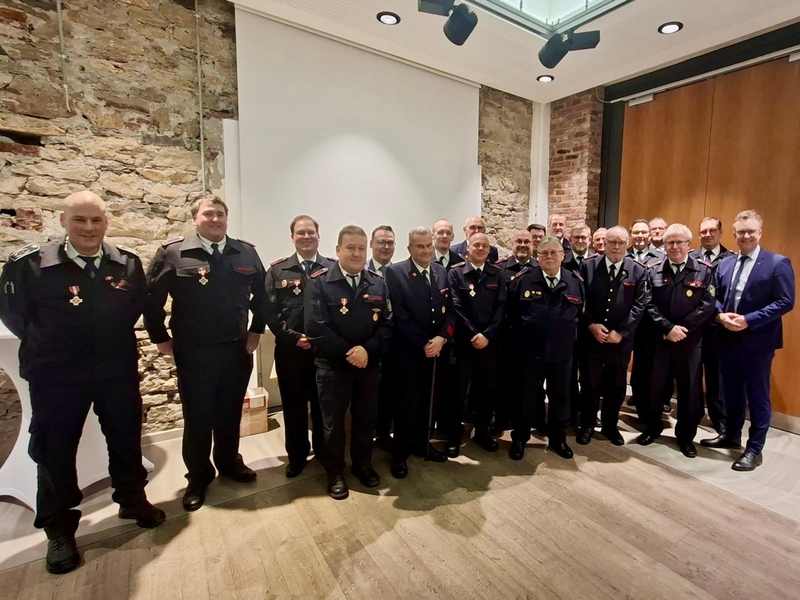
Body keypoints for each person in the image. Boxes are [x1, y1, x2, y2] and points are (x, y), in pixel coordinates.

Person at [0, 190, 164, 575]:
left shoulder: (127, 264)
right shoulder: (29, 265)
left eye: (96, 221)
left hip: (116, 369)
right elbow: (15, 317)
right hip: (56, 374)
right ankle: (59, 530)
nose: (88, 228)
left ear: (106, 223)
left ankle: (131, 499)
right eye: (80, 220)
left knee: (125, 437)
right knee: (54, 451)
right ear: (63, 221)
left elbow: (133, 309)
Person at [144, 195, 266, 512]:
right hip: (194, 351)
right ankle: (198, 477)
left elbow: (264, 297)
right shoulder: (173, 252)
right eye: (208, 214)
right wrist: (160, 337)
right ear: (195, 218)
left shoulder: (246, 252)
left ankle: (229, 463)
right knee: (198, 417)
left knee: (229, 413)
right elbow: (150, 299)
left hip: (235, 348)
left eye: (220, 214)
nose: (215, 219)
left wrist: (257, 330)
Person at [701, 210, 795, 471]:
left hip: (758, 342)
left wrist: (749, 319)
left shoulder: (777, 263)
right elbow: (714, 296)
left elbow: (786, 301)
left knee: (757, 397)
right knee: (730, 392)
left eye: (750, 231)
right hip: (727, 339)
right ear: (734, 235)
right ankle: (731, 435)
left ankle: (755, 449)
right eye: (741, 232)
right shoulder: (726, 263)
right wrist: (720, 316)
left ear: (760, 233)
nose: (745, 236)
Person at [304, 225, 392, 499]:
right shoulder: (319, 282)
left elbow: (388, 325)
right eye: (350, 247)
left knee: (366, 421)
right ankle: (334, 472)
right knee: (333, 424)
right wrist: (349, 353)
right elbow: (315, 326)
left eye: (361, 248)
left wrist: (367, 351)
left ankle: (363, 465)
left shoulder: (378, 282)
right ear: (338, 250)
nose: (356, 253)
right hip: (333, 368)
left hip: (369, 367)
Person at [636, 224, 715, 458]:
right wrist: (668, 328)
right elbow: (647, 303)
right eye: (670, 242)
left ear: (689, 245)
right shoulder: (652, 270)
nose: (675, 246)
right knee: (655, 387)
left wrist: (683, 329)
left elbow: (708, 305)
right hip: (660, 340)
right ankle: (652, 428)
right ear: (664, 245)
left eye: (680, 242)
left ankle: (686, 437)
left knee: (690, 391)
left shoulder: (704, 270)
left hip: (690, 342)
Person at [264, 215, 333, 478]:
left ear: (318, 236)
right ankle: (296, 456)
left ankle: (325, 454)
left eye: (311, 233)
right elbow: (270, 311)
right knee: (292, 407)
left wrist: (318, 339)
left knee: (322, 407)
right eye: (300, 233)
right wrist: (293, 336)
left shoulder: (331, 268)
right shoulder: (278, 270)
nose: (306, 237)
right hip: (290, 351)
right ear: (292, 237)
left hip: (322, 352)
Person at [506, 236, 584, 460]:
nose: (549, 257)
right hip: (530, 352)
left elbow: (579, 314)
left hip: (561, 352)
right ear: (537, 257)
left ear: (563, 256)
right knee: (526, 398)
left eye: (553, 252)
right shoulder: (523, 280)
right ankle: (520, 439)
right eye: (544, 253)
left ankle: (558, 439)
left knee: (561, 397)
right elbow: (511, 316)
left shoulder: (574, 281)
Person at [384, 227, 453, 478]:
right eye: (420, 246)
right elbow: (398, 315)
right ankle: (400, 455)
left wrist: (443, 337)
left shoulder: (441, 271)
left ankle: (423, 445)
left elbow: (450, 308)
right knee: (406, 406)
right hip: (409, 354)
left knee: (430, 404)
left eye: (429, 246)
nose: (426, 251)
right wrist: (424, 343)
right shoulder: (396, 272)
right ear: (410, 248)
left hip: (437, 352)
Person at [577, 226, 649, 446]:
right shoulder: (588, 266)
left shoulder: (638, 270)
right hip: (593, 339)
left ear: (627, 244)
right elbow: (580, 299)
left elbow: (640, 304)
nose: (616, 246)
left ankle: (610, 426)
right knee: (590, 384)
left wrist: (622, 332)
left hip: (620, 342)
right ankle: (587, 424)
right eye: (611, 242)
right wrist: (591, 325)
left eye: (620, 242)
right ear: (603, 244)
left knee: (617, 386)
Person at [447, 233, 506, 456]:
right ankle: (454, 436)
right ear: (467, 248)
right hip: (463, 344)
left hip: (489, 346)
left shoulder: (497, 275)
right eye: (476, 245)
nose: (481, 249)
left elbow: (502, 308)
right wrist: (474, 334)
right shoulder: (455, 273)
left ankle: (482, 432)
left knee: (486, 391)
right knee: (458, 393)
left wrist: (487, 335)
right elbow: (455, 307)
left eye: (485, 246)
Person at [689, 217, 734, 434]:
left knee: (717, 375)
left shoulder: (731, 260)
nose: (707, 234)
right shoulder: (690, 258)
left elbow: (728, 294)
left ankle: (719, 418)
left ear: (720, 232)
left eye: (712, 230)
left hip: (718, 328)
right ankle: (694, 413)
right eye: (703, 231)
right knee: (693, 373)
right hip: (694, 327)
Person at [492, 229, 535, 435]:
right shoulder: (499, 269)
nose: (523, 245)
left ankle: (528, 418)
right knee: (503, 380)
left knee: (529, 381)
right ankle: (501, 418)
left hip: (530, 338)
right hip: (505, 336)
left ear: (533, 244)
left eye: (527, 241)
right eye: (519, 241)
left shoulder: (539, 268)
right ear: (512, 244)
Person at [367, 225, 396, 449]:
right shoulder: (362, 272)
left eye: (390, 243)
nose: (386, 247)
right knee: (367, 395)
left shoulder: (400, 274)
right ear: (371, 244)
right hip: (368, 345)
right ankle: (365, 435)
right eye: (381, 242)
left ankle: (384, 432)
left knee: (388, 391)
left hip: (394, 346)